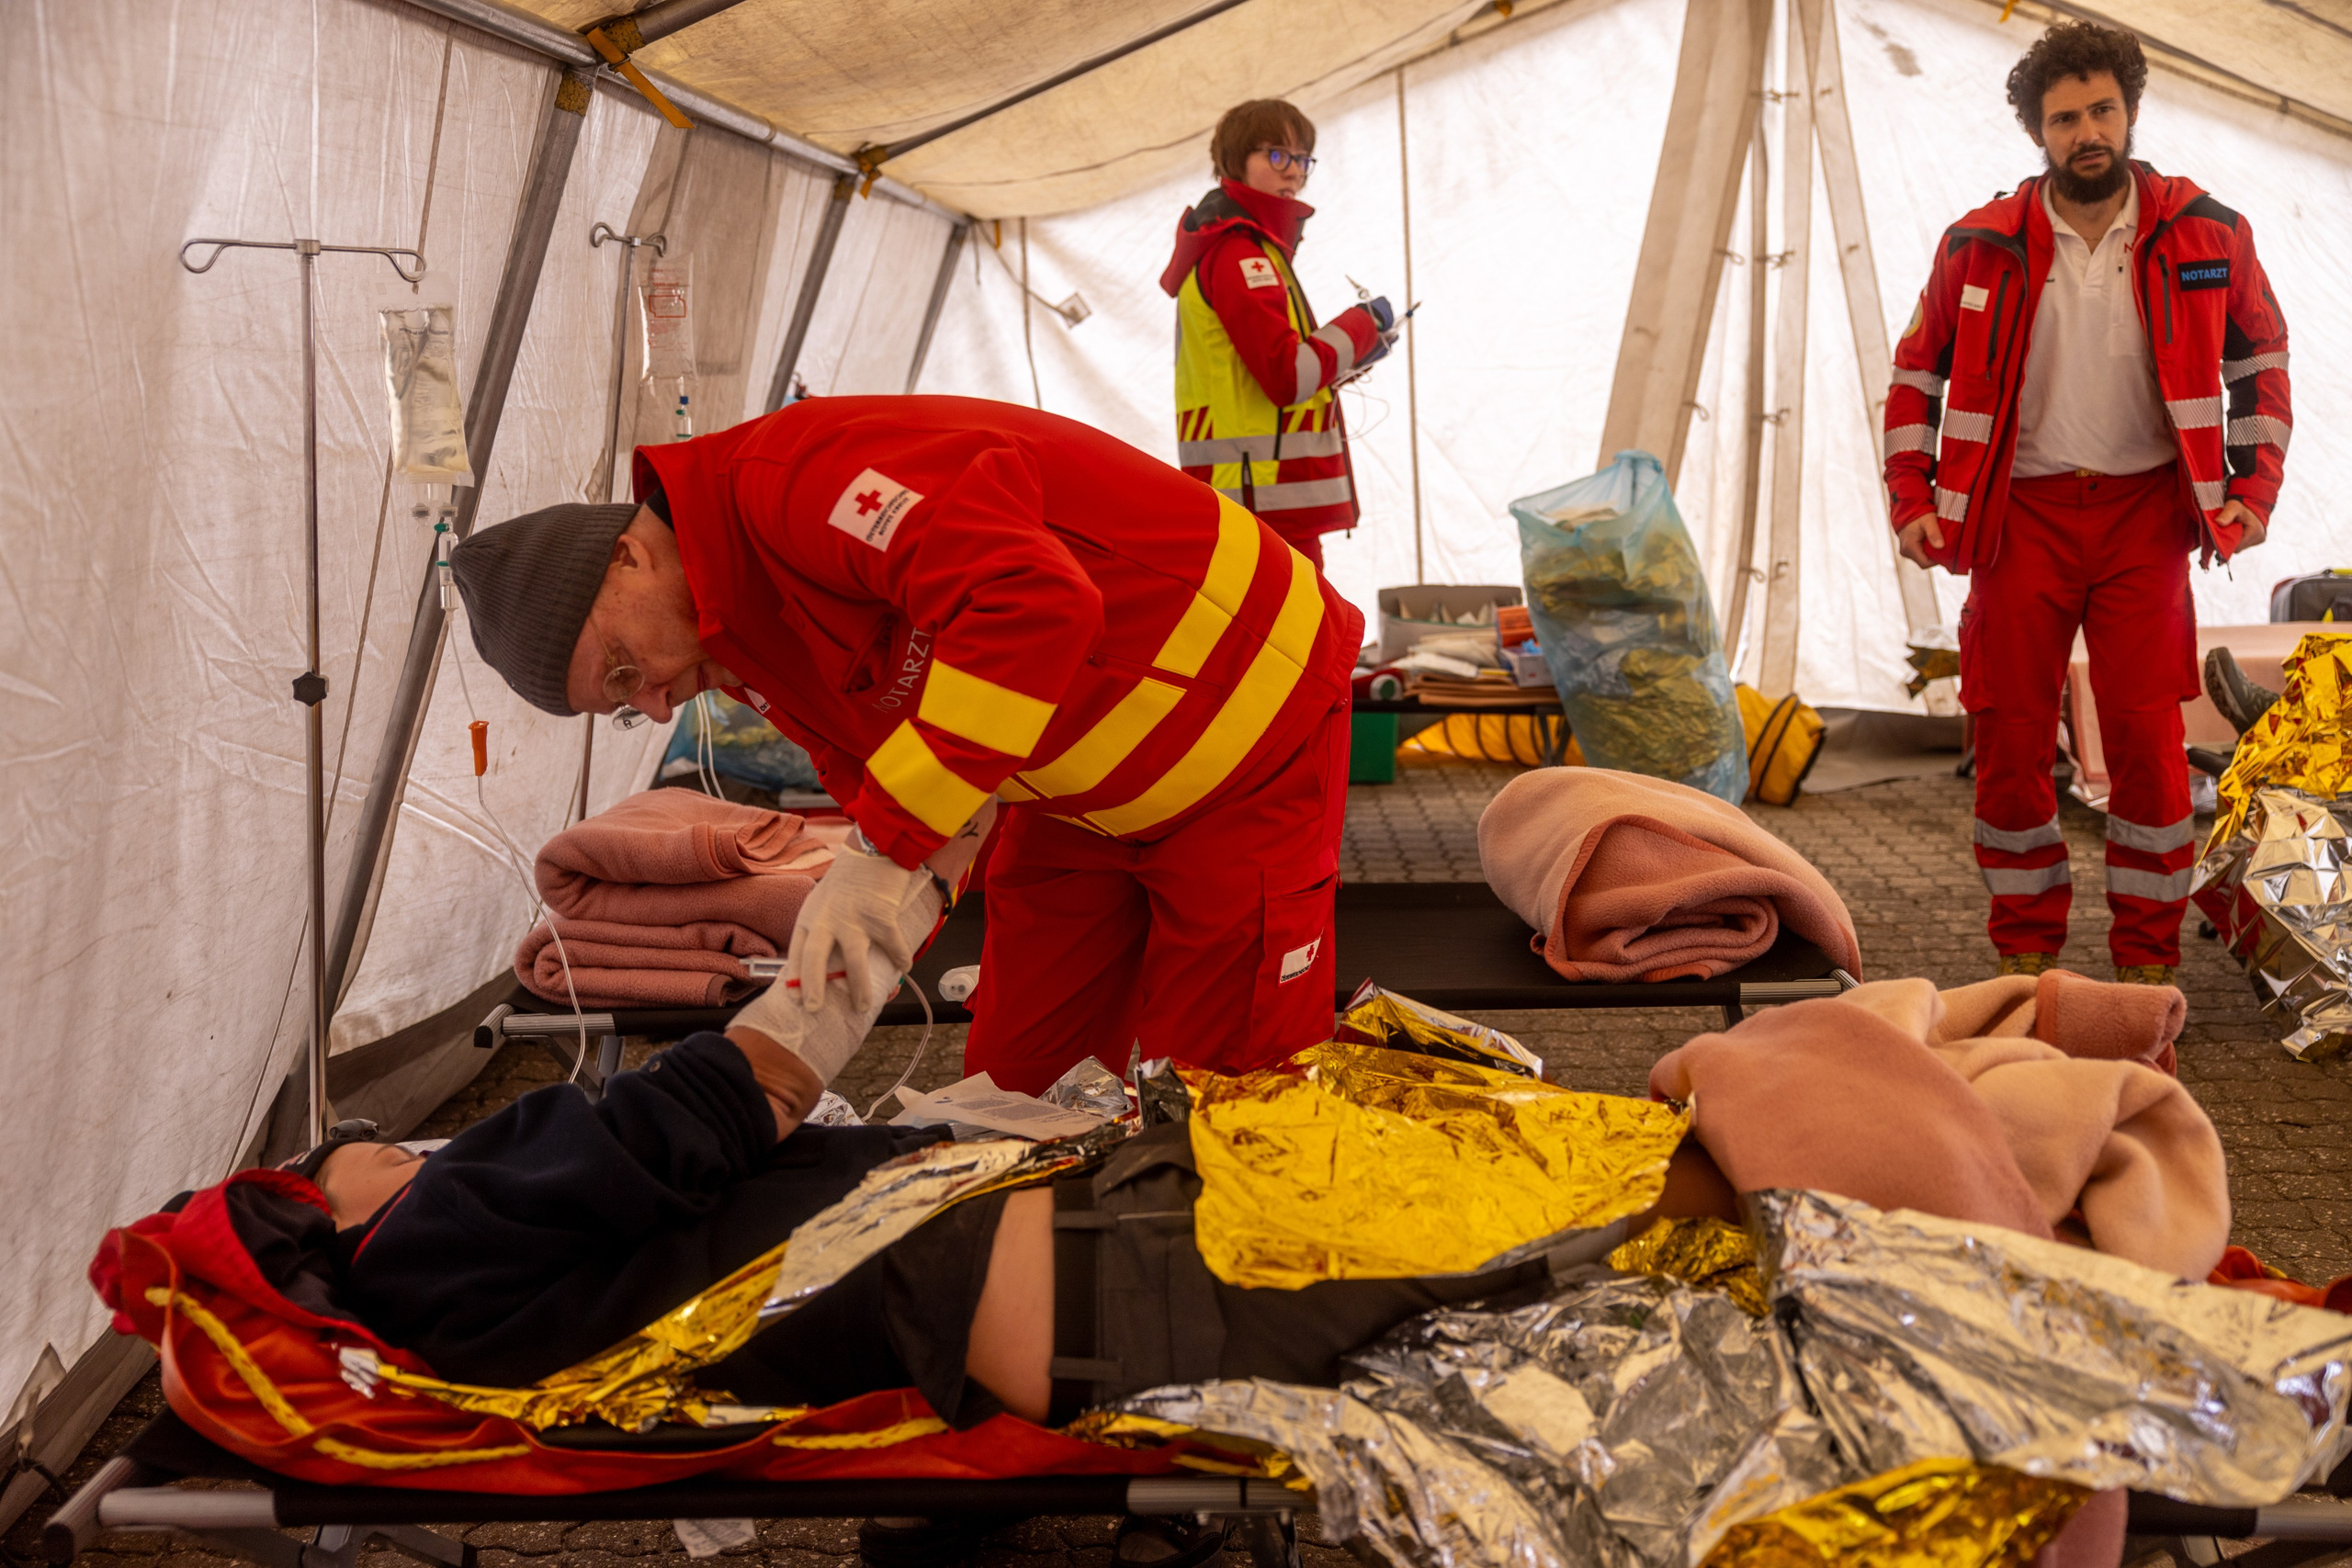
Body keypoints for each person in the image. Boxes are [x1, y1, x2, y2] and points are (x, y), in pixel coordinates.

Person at [449, 396, 1362, 1094]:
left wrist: (883, 852)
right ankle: (1047, 1268)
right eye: (621, 707)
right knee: (1014, 1087)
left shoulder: (797, 481)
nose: (652, 708)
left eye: (621, 671)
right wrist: (861, 939)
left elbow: (1033, 604)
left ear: (628, 559)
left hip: (1247, 734)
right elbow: (887, 768)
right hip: (1070, 792)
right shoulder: (732, 636)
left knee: (1220, 1097)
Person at [1882, 20, 2291, 985]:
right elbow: (1914, 377)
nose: (2087, 133)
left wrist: (2252, 493)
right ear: (2037, 132)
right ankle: (2026, 956)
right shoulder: (1977, 244)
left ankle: (2146, 965)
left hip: (2145, 519)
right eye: (2065, 119)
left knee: (2148, 742)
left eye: (2102, 111)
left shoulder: (2209, 234)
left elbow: (2261, 364)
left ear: (2131, 111)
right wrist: (1911, 499)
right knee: (2009, 737)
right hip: (2015, 521)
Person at [1161, 99, 1397, 571]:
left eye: (1303, 158)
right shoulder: (1241, 254)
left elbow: (1265, 378)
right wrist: (1360, 326)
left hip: (1259, 495)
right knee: (1303, 620)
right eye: (1277, 155)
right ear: (1235, 161)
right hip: (1263, 499)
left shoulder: (1249, 248)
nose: (1293, 171)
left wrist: (1355, 355)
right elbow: (1288, 376)